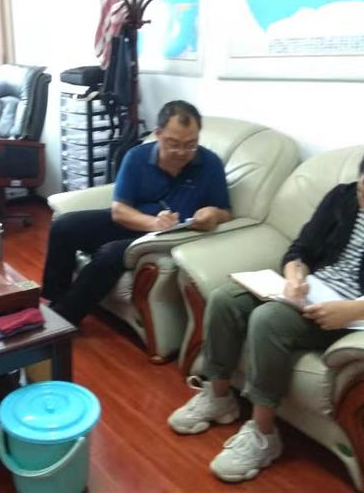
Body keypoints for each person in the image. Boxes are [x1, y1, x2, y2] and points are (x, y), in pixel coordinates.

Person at [168, 154, 364, 483]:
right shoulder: (342, 197)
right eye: (361, 190)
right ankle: (218, 397)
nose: (362, 201)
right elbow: (300, 248)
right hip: (312, 291)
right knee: (225, 299)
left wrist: (353, 310)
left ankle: (264, 434)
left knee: (268, 319)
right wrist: (295, 275)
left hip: (348, 314)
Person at [42, 100, 232, 325]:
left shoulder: (210, 164)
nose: (182, 152)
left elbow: (226, 212)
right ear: (158, 134)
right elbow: (119, 211)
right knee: (64, 226)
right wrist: (153, 222)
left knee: (109, 254)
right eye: (174, 144)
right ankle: (54, 299)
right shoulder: (137, 157)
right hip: (137, 221)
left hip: (171, 236)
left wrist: (214, 214)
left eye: (191, 144)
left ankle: (64, 319)